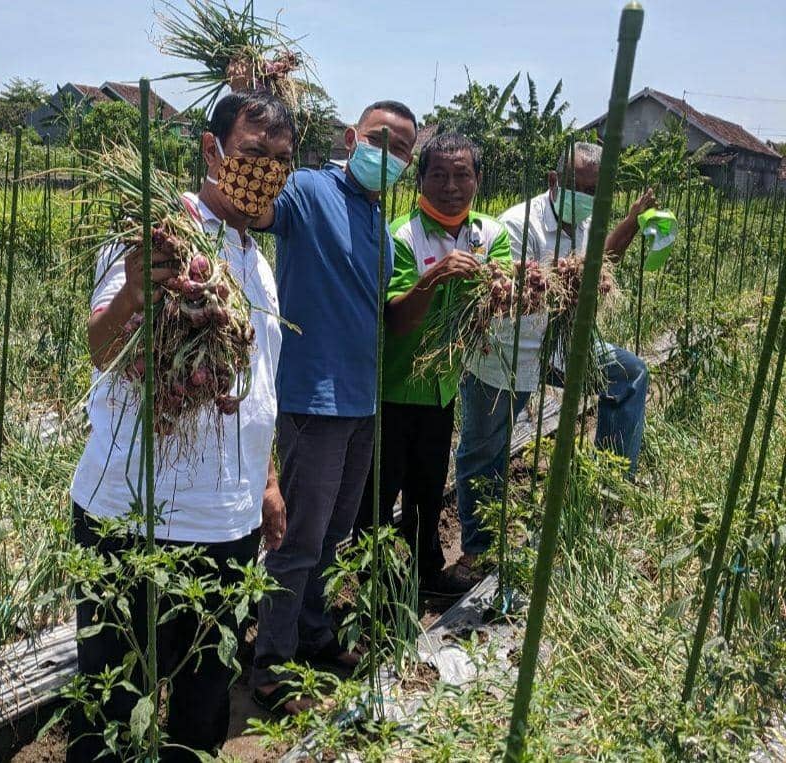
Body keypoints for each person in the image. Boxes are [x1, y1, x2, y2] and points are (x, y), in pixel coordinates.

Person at [67, 91, 294, 762]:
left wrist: (267, 480)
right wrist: (135, 293)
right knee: (110, 713)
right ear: (211, 150)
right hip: (134, 518)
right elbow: (101, 347)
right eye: (252, 154)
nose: (265, 172)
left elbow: (258, 387)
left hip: (228, 525)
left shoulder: (259, 261)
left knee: (203, 705)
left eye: (281, 161)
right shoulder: (162, 237)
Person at [250, 101, 418, 712]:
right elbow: (258, 208)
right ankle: (270, 666)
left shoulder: (379, 222)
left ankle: (314, 633)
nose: (389, 156)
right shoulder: (307, 189)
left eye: (403, 150)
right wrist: (255, 118)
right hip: (313, 400)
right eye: (380, 140)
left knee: (334, 535)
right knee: (297, 540)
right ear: (352, 138)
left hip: (360, 401)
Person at [456, 141, 656, 565]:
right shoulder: (518, 224)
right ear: (553, 181)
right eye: (578, 187)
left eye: (594, 192)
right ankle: (477, 550)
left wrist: (631, 223)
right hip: (507, 352)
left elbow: (600, 262)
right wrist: (572, 280)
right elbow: (512, 296)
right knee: (484, 451)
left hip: (559, 346)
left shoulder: (585, 222)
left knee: (628, 374)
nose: (585, 198)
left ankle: (607, 492)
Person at [352, 132, 511, 595]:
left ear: (478, 179)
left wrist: (507, 287)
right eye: (438, 175)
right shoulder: (400, 234)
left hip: (441, 388)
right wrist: (436, 276)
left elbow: (499, 299)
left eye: (462, 175)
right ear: (419, 180)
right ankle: (373, 587)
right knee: (378, 495)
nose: (450, 186)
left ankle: (426, 573)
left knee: (428, 489)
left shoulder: (489, 234)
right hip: (394, 388)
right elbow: (398, 320)